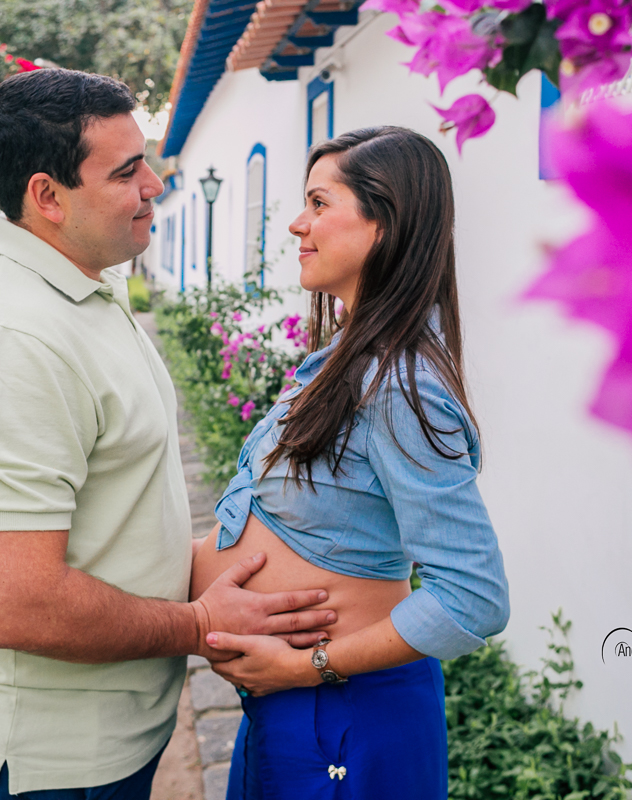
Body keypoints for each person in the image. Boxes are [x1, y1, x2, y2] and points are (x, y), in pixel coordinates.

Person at [0, 69, 335, 800]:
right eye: (128, 171)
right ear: (47, 197)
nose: (155, 185)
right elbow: (15, 602)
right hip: (40, 759)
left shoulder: (84, 282)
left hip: (99, 735)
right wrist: (199, 624)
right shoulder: (9, 343)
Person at [189, 126, 511, 798]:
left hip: (342, 713)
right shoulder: (343, 362)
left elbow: (473, 596)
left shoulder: (396, 384)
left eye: (318, 203)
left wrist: (307, 665)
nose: (296, 225)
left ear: (383, 225)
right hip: (295, 709)